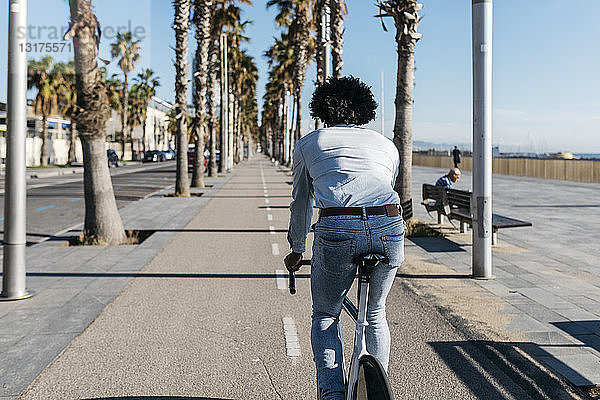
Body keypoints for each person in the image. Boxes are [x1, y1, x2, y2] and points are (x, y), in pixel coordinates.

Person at [283, 76, 405, 400]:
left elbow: (302, 202)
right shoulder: (387, 146)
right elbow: (384, 186)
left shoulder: (310, 143)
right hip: (389, 227)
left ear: (322, 108)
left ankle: (333, 394)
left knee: (325, 313)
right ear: (364, 110)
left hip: (339, 229)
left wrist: (296, 249)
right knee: (375, 312)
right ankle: (377, 390)